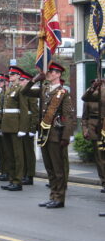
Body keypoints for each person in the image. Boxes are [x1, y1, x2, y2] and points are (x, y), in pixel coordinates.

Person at [22, 62, 74, 208]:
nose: (49, 73)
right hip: (44, 134)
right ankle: (52, 195)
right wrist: (34, 80)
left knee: (58, 169)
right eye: (49, 71)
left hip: (56, 135)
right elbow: (24, 92)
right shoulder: (43, 89)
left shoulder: (63, 93)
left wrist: (65, 137)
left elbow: (69, 116)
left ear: (58, 74)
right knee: (49, 168)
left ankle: (59, 198)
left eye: (52, 72)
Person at [0, 66, 28, 192]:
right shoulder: (9, 89)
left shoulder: (21, 89)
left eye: (12, 74)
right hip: (7, 126)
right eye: (10, 74)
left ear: (18, 76)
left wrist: (22, 128)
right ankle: (12, 179)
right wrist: (1, 126)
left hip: (16, 126)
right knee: (9, 154)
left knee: (17, 155)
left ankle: (18, 181)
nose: (10, 76)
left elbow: (24, 110)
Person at [81, 79, 105, 193]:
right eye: (94, 83)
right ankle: (104, 182)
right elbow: (84, 116)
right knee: (99, 158)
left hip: (104, 125)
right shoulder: (89, 96)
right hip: (94, 128)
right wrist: (85, 129)